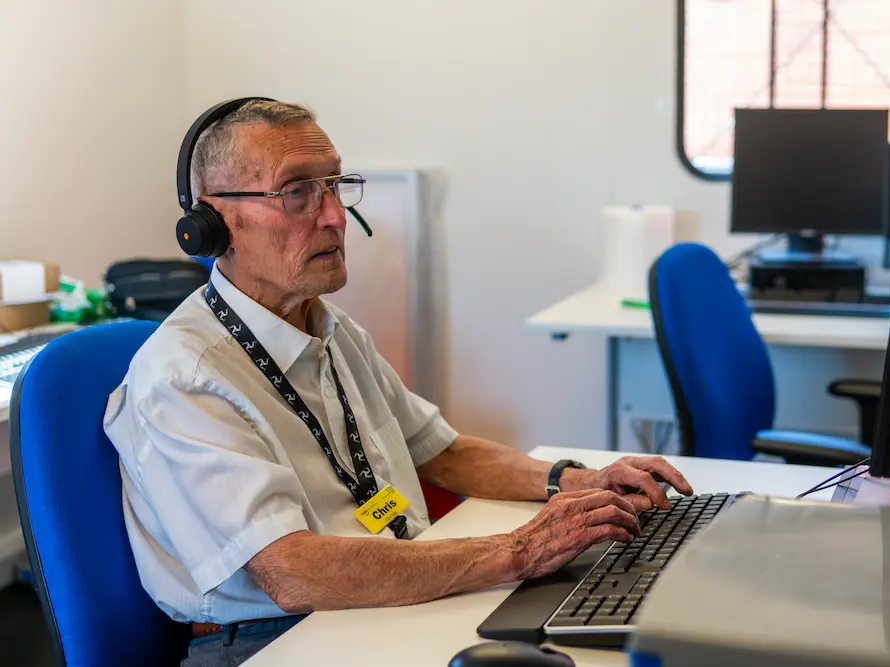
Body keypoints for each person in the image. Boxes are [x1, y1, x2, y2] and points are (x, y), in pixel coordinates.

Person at [104, 99, 693, 666]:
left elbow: (445, 452)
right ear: (212, 223)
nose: (334, 216)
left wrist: (576, 483)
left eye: (335, 185)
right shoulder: (184, 378)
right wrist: (520, 550)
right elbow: (292, 572)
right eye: (298, 192)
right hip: (273, 639)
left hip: (383, 598)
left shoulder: (332, 330)